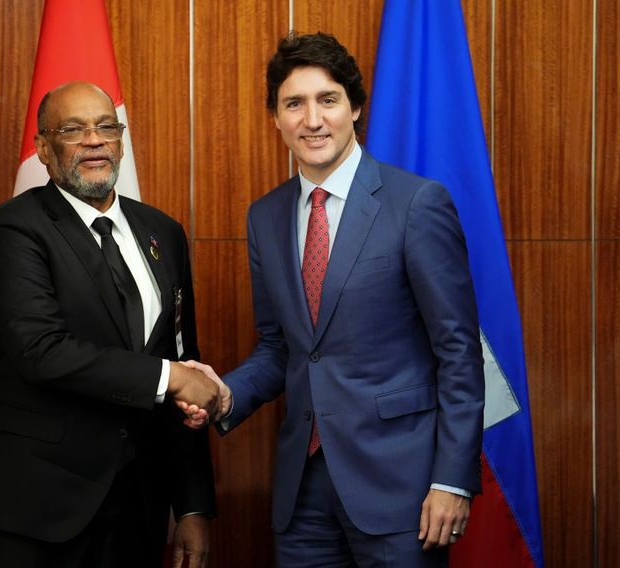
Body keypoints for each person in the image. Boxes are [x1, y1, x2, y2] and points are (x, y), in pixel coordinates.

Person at [187, 32, 485, 567]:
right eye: (293, 104)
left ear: (355, 109)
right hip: (303, 494)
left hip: (403, 491)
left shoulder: (416, 203)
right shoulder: (265, 217)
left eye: (327, 100)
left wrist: (452, 480)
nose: (312, 120)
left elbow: (459, 351)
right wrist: (225, 395)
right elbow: (281, 347)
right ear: (275, 119)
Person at [0, 81, 220, 568]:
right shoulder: (12, 229)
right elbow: (41, 350)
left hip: (137, 503)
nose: (94, 140)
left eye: (106, 127)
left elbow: (184, 361)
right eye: (73, 130)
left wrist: (193, 505)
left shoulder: (164, 232)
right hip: (33, 502)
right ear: (44, 149)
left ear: (121, 140)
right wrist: (171, 377)